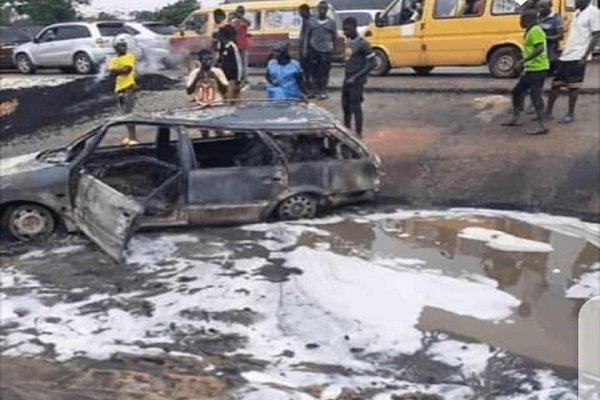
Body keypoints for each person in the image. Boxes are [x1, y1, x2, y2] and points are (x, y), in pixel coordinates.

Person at [545, 0, 600, 123]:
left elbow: (596, 35)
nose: (574, 2)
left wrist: (585, 56)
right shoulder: (576, 13)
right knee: (556, 84)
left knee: (573, 87)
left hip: (578, 55)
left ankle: (570, 114)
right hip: (566, 54)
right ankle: (548, 112)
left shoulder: (594, 13)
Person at [502, 9, 550, 135]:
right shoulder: (530, 31)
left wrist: (523, 61)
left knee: (535, 95)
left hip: (538, 68)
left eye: (522, 19)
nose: (520, 21)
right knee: (517, 92)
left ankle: (542, 126)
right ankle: (516, 118)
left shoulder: (535, 30)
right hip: (531, 68)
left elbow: (539, 48)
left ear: (529, 20)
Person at [342, 17, 377, 138]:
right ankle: (346, 131)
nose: (345, 32)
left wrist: (356, 77)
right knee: (345, 106)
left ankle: (358, 133)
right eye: (344, 30)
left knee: (355, 107)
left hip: (357, 80)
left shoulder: (363, 43)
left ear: (354, 28)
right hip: (347, 78)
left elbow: (373, 63)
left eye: (347, 30)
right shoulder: (348, 42)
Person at [107, 34, 137, 145]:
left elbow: (126, 70)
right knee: (124, 115)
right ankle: (130, 137)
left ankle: (133, 138)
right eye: (120, 46)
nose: (123, 48)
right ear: (115, 48)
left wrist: (117, 69)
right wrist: (119, 69)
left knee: (129, 115)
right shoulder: (113, 59)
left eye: (124, 45)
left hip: (128, 89)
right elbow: (111, 71)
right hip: (119, 89)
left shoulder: (129, 56)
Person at [307, 1, 337, 99]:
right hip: (314, 49)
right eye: (320, 8)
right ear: (317, 9)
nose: (322, 10)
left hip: (326, 50)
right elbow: (307, 35)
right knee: (314, 71)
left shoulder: (331, 23)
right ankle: (314, 90)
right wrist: (306, 48)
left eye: (324, 8)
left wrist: (334, 49)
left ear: (327, 10)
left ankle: (323, 91)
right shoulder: (311, 22)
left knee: (324, 71)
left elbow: (334, 37)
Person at [538, 1, 563, 76]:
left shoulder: (556, 19)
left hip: (551, 49)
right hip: (539, 49)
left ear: (549, 7)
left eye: (543, 7)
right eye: (539, 7)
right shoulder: (537, 17)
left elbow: (560, 35)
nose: (540, 9)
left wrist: (546, 38)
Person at [219, 25, 243, 103]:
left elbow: (238, 64)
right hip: (224, 78)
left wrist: (238, 79)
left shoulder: (232, 47)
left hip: (232, 79)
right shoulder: (224, 47)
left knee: (232, 100)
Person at [231, 5, 252, 88]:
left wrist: (241, 19)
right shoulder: (234, 21)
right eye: (238, 12)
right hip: (237, 45)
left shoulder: (243, 21)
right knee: (239, 64)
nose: (239, 13)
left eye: (241, 12)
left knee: (244, 64)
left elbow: (249, 24)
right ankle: (240, 79)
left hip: (243, 45)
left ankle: (245, 80)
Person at [298, 4, 314, 98]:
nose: (299, 14)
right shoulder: (304, 20)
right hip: (304, 48)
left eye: (300, 12)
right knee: (305, 71)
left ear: (305, 11)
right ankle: (307, 88)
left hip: (308, 49)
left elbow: (307, 37)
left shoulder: (309, 21)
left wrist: (304, 49)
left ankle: (310, 89)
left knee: (309, 71)